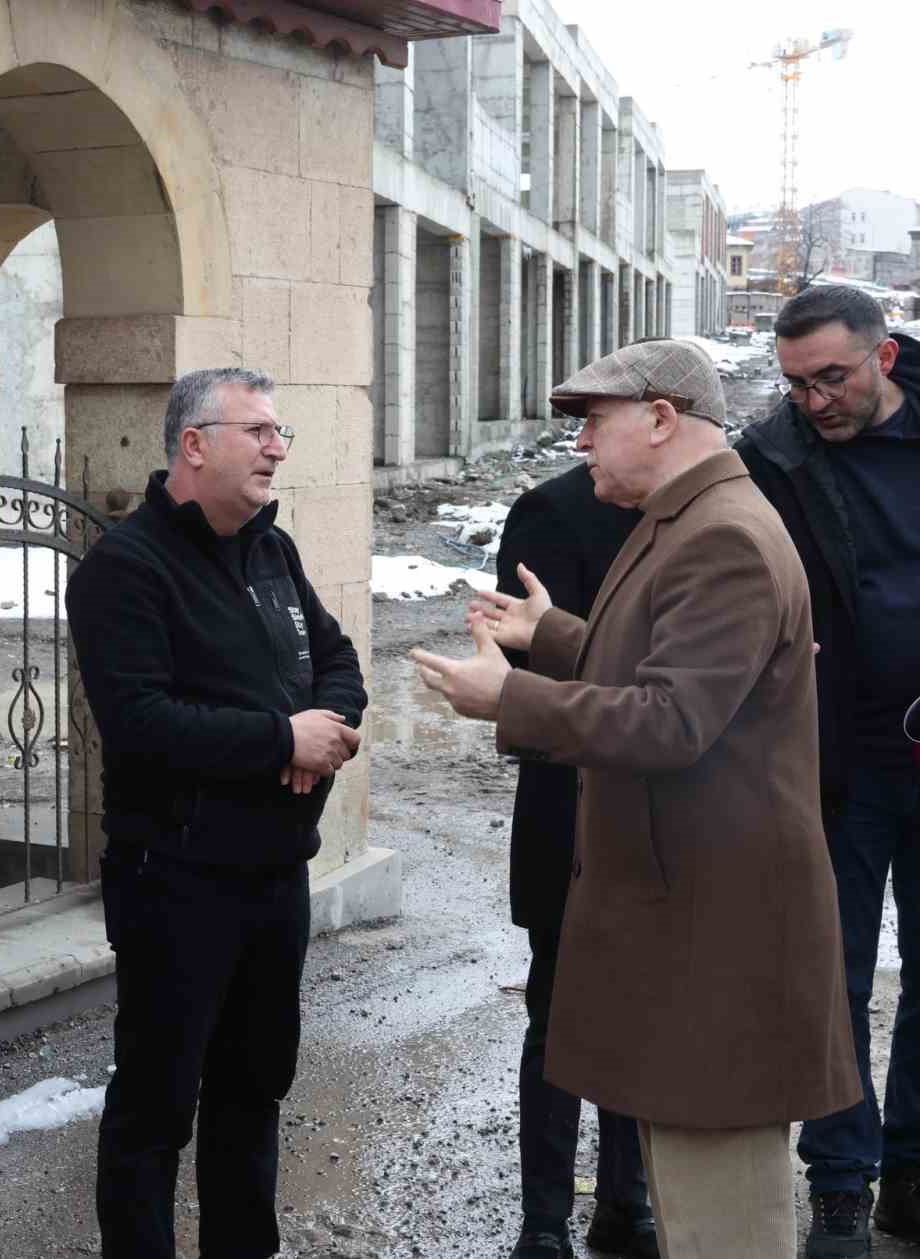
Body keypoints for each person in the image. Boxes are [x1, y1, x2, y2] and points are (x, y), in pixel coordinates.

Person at [411, 338, 860, 1258]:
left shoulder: (722, 534)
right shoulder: (686, 518)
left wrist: (512, 695)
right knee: (691, 1202)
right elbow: (670, 670)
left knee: (723, 1224)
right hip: (692, 920)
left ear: (661, 418)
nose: (578, 444)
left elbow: (673, 721)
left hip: (718, 934)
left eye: (593, 422)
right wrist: (556, 633)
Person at [65, 367, 367, 1259]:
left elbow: (338, 655)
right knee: (157, 1106)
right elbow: (141, 722)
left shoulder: (273, 551)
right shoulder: (125, 568)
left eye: (282, 433)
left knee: (253, 1088)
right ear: (193, 444)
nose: (278, 447)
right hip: (177, 880)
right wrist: (282, 741)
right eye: (260, 431)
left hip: (275, 876)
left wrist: (328, 728)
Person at [733, 285, 920, 1257]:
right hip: (832, 764)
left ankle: (912, 1169)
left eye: (832, 378)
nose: (813, 401)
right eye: (796, 383)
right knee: (831, 977)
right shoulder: (770, 459)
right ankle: (840, 1183)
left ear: (883, 359)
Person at [492, 464, 650, 1259]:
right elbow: (529, 674)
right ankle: (544, 1219)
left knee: (642, 1017)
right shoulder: (550, 512)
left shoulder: (693, 515)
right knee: (558, 1016)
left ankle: (627, 1201)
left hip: (664, 807)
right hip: (570, 806)